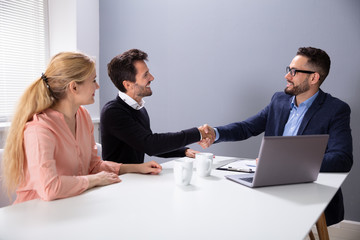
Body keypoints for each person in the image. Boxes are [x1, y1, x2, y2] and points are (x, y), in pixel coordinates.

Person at [200, 47, 353, 226]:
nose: (287, 76)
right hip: (271, 185)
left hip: (307, 192)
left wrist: (287, 162)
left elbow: (342, 159)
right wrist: (215, 133)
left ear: (314, 78)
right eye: (288, 70)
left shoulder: (335, 110)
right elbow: (247, 127)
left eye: (294, 72)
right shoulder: (278, 101)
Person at [2, 52, 162, 204]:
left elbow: (92, 166)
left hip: (73, 203)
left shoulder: (83, 116)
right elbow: (49, 188)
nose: (97, 86)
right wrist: (95, 179)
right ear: (74, 87)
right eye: (93, 80)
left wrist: (136, 168)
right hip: (36, 212)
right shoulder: (39, 128)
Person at [101, 49, 213, 164]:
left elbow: (145, 144)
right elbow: (150, 144)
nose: (152, 78)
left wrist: (184, 151)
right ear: (128, 85)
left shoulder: (139, 109)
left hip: (136, 178)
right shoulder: (113, 112)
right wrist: (197, 133)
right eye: (145, 75)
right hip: (120, 181)